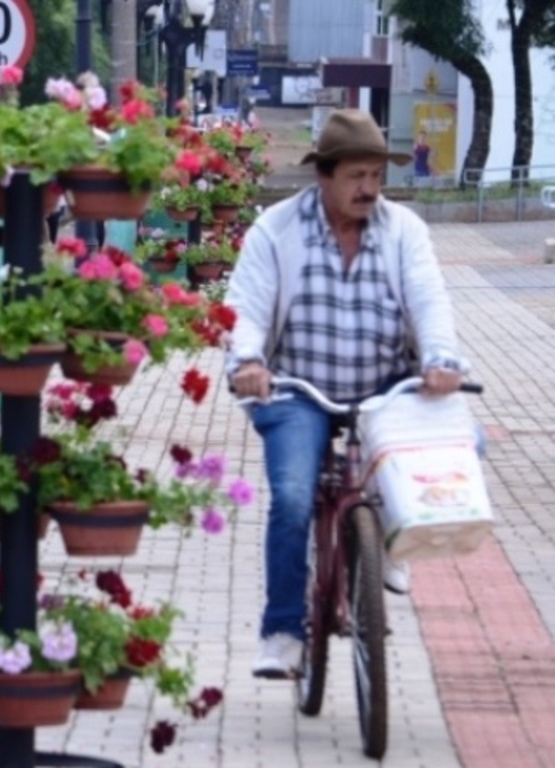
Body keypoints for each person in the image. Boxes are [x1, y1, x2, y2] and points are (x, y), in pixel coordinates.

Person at [224, 109, 466, 679]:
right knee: (290, 495)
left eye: (377, 177)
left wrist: (439, 360)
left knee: (455, 447)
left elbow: (430, 299)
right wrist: (248, 361)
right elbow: (246, 306)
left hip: (385, 386)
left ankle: (384, 537)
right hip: (295, 389)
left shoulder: (403, 230)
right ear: (324, 176)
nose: (369, 189)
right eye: (357, 176)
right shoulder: (276, 230)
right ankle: (283, 631)